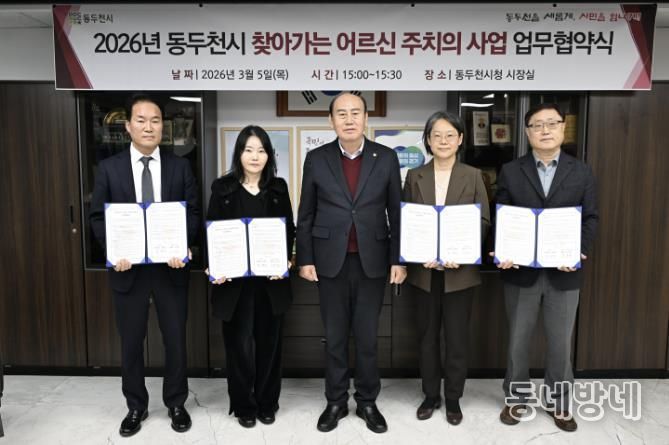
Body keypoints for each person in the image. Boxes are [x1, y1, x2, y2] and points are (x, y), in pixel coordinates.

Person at [89, 93, 200, 437]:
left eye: (155, 120)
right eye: (141, 120)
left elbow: (193, 212)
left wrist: (182, 245)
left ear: (163, 126)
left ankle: (176, 403)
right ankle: (135, 405)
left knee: (175, 339)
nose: (148, 127)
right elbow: (98, 217)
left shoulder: (181, 166)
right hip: (128, 269)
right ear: (128, 126)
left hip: (171, 268)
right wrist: (114, 250)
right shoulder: (109, 168)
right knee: (131, 342)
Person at [296, 92, 406, 434]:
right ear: (331, 121)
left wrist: (398, 259)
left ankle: (368, 401)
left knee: (368, 336)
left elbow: (397, 213)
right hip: (330, 261)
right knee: (334, 336)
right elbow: (306, 213)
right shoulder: (316, 159)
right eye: (341, 113)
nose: (349, 119)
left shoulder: (385, 157)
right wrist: (305, 258)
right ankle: (336, 400)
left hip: (373, 260)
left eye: (355, 113)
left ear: (366, 118)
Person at [493, 103, 598, 432]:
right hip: (520, 271)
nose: (545, 130)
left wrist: (578, 251)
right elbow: (502, 216)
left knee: (560, 345)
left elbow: (591, 218)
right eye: (537, 125)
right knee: (517, 342)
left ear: (563, 128)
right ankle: (516, 398)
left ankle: (559, 402)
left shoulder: (581, 172)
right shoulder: (511, 170)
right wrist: (502, 249)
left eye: (552, 123)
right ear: (527, 133)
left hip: (564, 274)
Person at [402, 111, 490, 425]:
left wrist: (462, 253)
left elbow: (483, 220)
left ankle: (453, 398)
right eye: (436, 135)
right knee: (427, 339)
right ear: (428, 140)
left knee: (456, 339)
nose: (443, 141)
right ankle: (430, 395)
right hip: (424, 273)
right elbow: (407, 220)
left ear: (460, 139)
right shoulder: (415, 176)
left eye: (450, 135)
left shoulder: (474, 175)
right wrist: (416, 254)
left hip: (459, 274)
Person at [206, 125, 294, 428]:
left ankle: (268, 403)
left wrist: (285, 260)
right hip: (234, 284)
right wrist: (214, 266)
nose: (255, 156)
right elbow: (212, 231)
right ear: (239, 154)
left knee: (270, 345)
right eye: (248, 150)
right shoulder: (223, 188)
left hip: (271, 282)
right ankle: (243, 404)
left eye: (261, 150)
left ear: (269, 155)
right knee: (238, 346)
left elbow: (289, 230)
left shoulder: (278, 188)